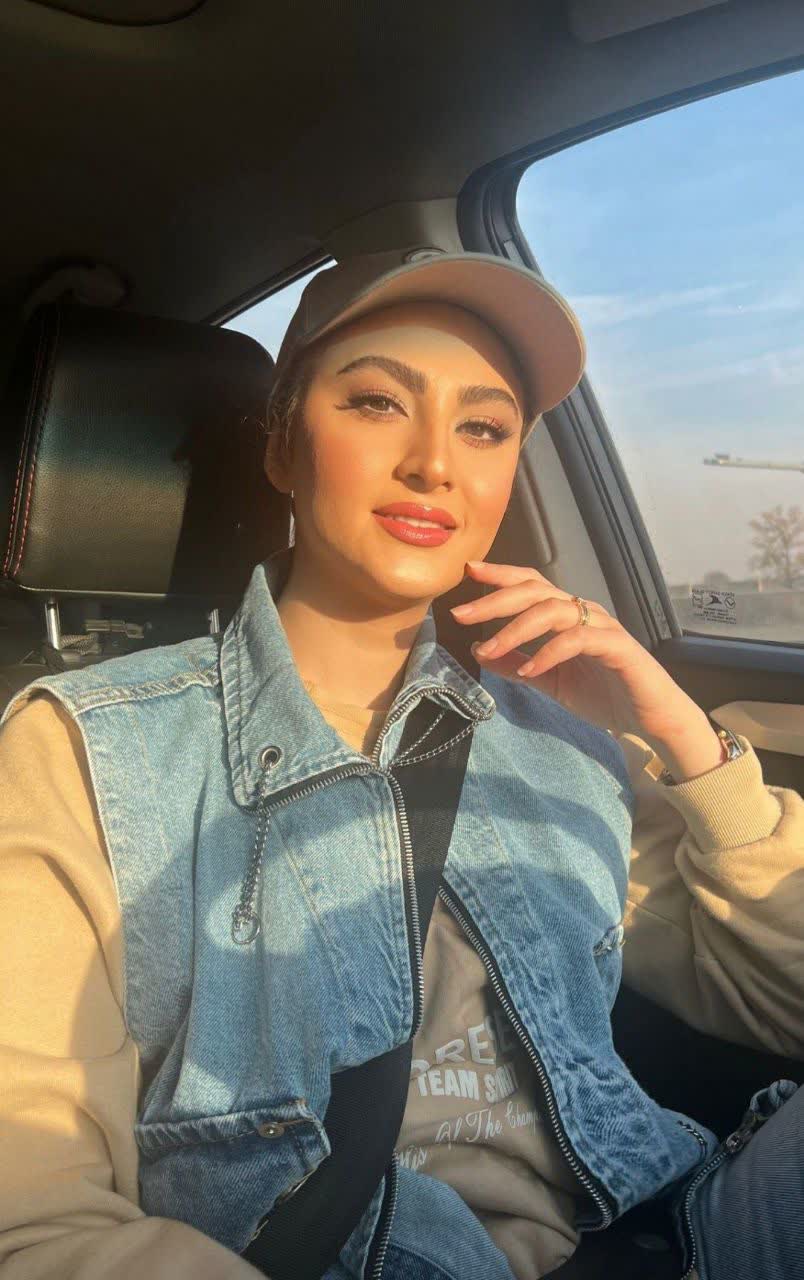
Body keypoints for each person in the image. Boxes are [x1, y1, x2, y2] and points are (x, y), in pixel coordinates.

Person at [0, 248, 802, 1280]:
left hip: (669, 1230)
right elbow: (35, 1214)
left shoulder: (558, 743)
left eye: (484, 427)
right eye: (378, 403)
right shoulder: (88, 749)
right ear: (282, 445)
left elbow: (782, 1003)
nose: (434, 464)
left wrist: (688, 740)